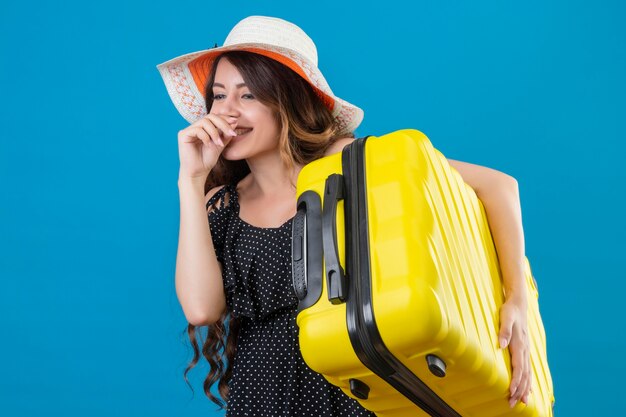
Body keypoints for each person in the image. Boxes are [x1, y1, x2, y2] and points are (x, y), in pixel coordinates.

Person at [157, 15, 531, 416]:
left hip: (350, 386)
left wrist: (517, 301)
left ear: (289, 101)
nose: (227, 113)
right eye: (218, 96)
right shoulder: (219, 203)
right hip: (259, 395)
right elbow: (201, 309)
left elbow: (498, 185)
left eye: (248, 96)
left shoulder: (348, 163)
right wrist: (190, 181)